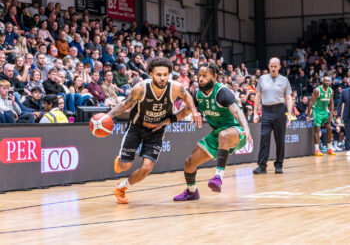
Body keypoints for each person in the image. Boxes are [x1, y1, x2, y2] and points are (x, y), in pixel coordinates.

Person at [107, 57, 201, 204]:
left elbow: (188, 98)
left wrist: (193, 112)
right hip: (136, 127)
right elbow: (125, 105)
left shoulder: (175, 87)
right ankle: (120, 161)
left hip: (157, 130)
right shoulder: (140, 88)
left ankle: (121, 188)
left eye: (165, 74)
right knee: (124, 166)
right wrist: (107, 117)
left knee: (147, 168)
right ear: (151, 74)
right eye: (159, 74)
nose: (162, 77)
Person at [173, 62, 252, 201]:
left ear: (214, 76)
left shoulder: (222, 92)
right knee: (189, 163)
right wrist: (165, 121)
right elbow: (185, 111)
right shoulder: (198, 94)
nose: (201, 79)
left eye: (205, 76)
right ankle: (192, 192)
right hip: (217, 134)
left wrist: (246, 128)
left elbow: (237, 112)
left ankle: (218, 177)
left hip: (236, 131)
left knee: (224, 135)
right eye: (199, 76)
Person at [253, 57, 292, 174]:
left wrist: (289, 113)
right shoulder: (262, 79)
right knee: (264, 137)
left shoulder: (285, 80)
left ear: (279, 67)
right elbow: (258, 96)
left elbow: (288, 98)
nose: (273, 68)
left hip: (279, 110)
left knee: (280, 139)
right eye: (271, 66)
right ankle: (262, 166)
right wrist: (255, 112)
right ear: (268, 66)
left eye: (275, 66)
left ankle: (279, 164)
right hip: (266, 111)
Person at [306, 76, 336, 156]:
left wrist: (331, 114)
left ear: (330, 82)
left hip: (325, 111)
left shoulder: (331, 91)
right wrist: (308, 115)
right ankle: (317, 149)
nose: (327, 82)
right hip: (317, 111)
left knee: (329, 127)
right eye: (325, 81)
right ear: (322, 81)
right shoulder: (317, 90)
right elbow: (310, 103)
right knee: (317, 129)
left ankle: (329, 148)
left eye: (328, 81)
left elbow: (332, 103)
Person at [337, 77, 350, 155]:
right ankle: (348, 149)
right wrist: (339, 116)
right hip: (347, 115)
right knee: (348, 132)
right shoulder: (344, 92)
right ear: (349, 83)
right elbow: (339, 104)